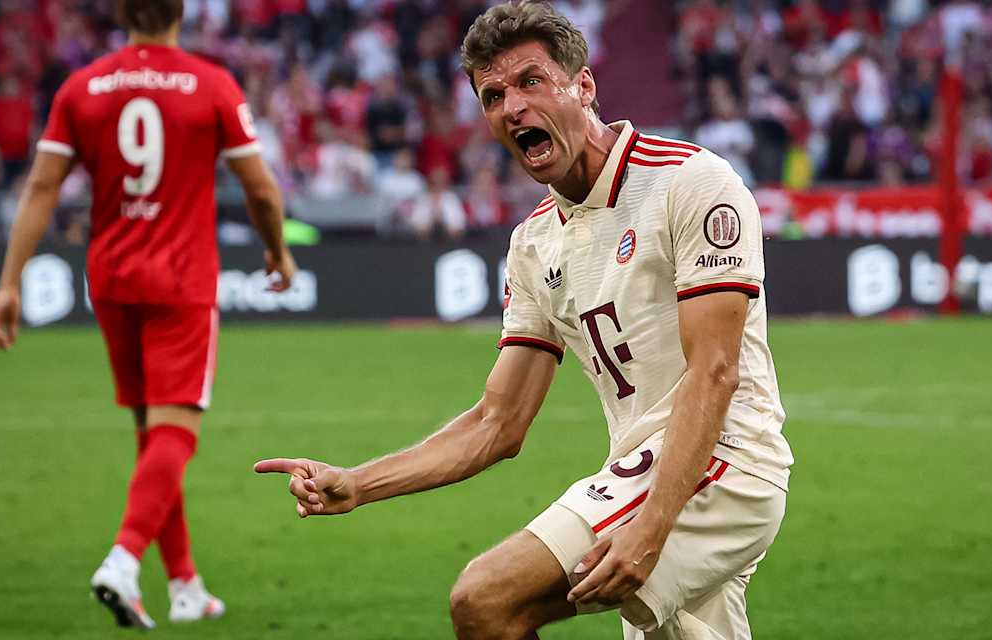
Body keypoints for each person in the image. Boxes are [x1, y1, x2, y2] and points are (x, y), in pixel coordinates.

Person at [255, 3, 791, 639]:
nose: (511, 107)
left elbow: (716, 370)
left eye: (530, 81)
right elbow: (497, 422)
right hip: (652, 476)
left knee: (486, 600)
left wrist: (651, 526)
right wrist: (358, 483)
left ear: (583, 86)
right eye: (492, 95)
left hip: (721, 465)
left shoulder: (689, 182)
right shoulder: (534, 244)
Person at [0, 0, 297, 630]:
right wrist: (278, 250)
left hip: (113, 277)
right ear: (181, 12)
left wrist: (9, 282)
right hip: (181, 279)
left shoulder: (83, 87)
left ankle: (184, 585)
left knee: (152, 432)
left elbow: (42, 187)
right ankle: (124, 560)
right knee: (176, 432)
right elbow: (261, 187)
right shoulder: (210, 83)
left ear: (122, 11)